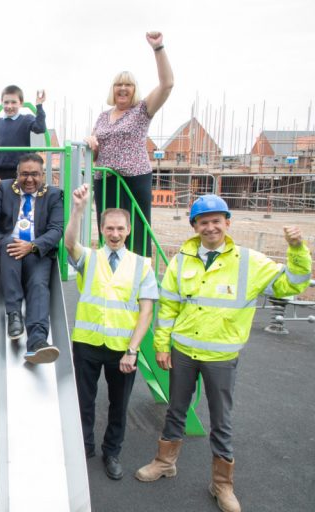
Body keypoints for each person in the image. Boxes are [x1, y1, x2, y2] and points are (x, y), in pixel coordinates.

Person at [135, 195, 311, 512]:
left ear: (227, 223)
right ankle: (164, 462)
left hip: (221, 358)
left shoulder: (249, 261)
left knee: (221, 420)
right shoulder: (181, 260)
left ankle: (222, 484)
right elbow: (169, 306)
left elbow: (291, 285)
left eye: (217, 220)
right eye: (203, 222)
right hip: (183, 351)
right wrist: (161, 344)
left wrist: (297, 250)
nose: (210, 227)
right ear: (195, 226)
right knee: (176, 410)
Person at [64, 183, 158, 480]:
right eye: (109, 228)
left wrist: (133, 350)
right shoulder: (90, 258)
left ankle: (112, 452)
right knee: (83, 400)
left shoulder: (142, 265)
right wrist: (78, 210)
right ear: (102, 230)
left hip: (122, 348)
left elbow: (146, 312)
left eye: (120, 228)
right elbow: (69, 243)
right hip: (87, 344)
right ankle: (84, 447)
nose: (114, 234)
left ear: (128, 230)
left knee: (119, 405)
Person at [85, 31, 174, 257]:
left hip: (133, 178)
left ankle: (140, 271)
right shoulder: (103, 117)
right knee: (108, 228)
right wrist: (91, 143)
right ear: (112, 90)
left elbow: (167, 84)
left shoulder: (142, 109)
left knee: (135, 229)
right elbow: (95, 153)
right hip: (105, 180)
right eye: (118, 84)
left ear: (134, 90)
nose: (123, 88)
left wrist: (158, 48)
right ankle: (110, 269)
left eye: (128, 84)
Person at [0, 153, 63, 364]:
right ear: (17, 174)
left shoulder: (53, 195)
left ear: (43, 175)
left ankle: (37, 341)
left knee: (39, 285)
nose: (29, 179)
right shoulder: (5, 189)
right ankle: (14, 315)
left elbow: (56, 230)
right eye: (24, 174)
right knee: (8, 243)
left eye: (35, 174)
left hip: (36, 251)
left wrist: (32, 246)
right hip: (9, 250)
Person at [0, 85, 47, 180]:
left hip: (21, 169)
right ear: (2, 103)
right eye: (6, 102)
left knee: (19, 189)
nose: (9, 106)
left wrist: (39, 106)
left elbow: (40, 128)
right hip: (0, 169)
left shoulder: (26, 119)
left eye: (13, 102)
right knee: (0, 189)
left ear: (21, 103)